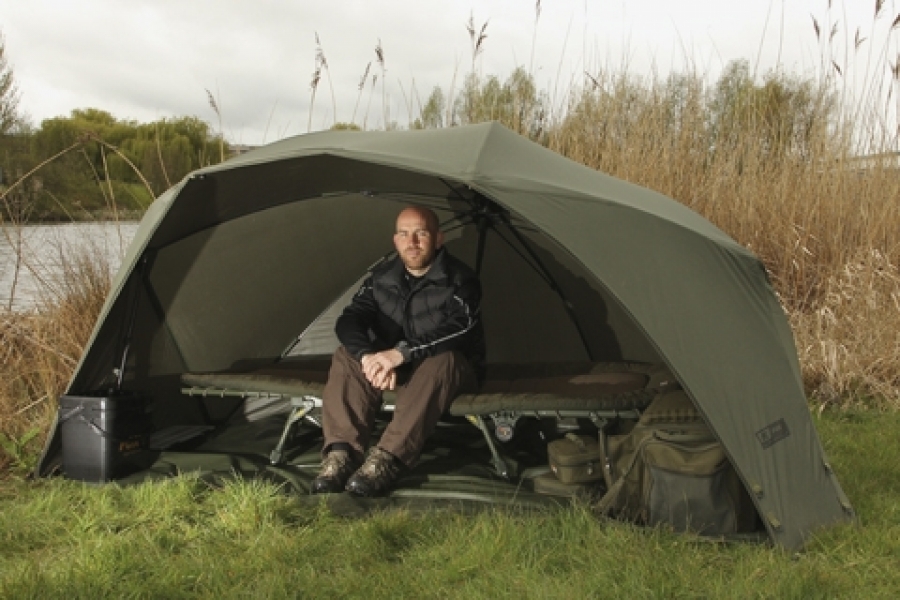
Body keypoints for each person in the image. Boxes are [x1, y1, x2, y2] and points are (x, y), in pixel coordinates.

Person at [311, 205, 485, 497]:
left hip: (449, 372)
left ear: (438, 239)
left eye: (421, 233)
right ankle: (341, 456)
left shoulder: (461, 281)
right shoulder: (382, 279)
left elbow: (460, 329)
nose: (412, 242)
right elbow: (349, 319)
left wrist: (401, 354)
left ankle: (387, 460)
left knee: (444, 359)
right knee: (346, 355)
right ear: (395, 241)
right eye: (404, 234)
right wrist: (369, 358)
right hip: (396, 368)